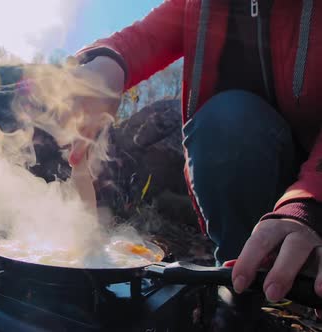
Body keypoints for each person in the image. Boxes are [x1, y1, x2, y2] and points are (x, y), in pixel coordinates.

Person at [69, 0, 322, 305]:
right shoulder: (200, 5)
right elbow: (144, 38)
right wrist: (108, 62)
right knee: (227, 122)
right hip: (246, 174)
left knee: (230, 119)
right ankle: (238, 289)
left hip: (313, 184)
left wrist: (309, 206)